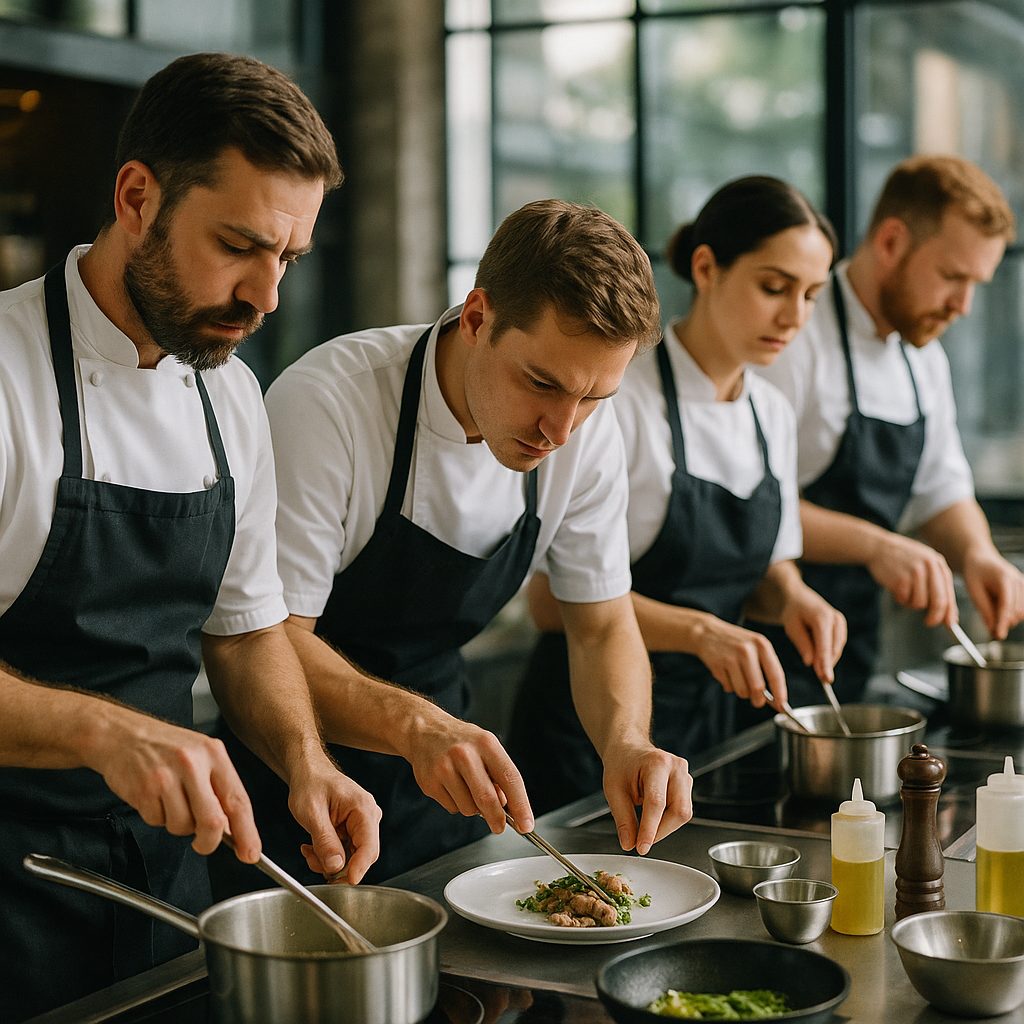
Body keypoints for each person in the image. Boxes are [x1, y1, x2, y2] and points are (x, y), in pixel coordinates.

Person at [0, 53, 383, 1021]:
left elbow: (247, 630)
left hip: (171, 878)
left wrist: (305, 761)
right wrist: (98, 727)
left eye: (287, 259)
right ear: (137, 197)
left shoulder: (230, 393)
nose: (266, 297)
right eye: (239, 245)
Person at [217, 198, 694, 888]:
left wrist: (627, 742)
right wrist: (415, 727)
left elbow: (599, 625)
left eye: (594, 398)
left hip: (450, 793)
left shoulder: (583, 435)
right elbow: (267, 635)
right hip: (296, 801)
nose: (560, 430)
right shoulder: (331, 405)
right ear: (477, 319)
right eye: (541, 383)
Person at [506, 177, 847, 814]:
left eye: (811, 296)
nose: (794, 317)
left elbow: (767, 568)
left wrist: (795, 596)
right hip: (589, 734)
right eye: (774, 287)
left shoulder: (770, 412)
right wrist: (701, 633)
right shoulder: (615, 401)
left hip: (715, 732)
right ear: (706, 267)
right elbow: (552, 605)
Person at [755, 155, 1024, 706]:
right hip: (761, 641)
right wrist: (878, 546)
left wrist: (976, 553)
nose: (964, 306)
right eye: (953, 277)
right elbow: (751, 507)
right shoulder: (791, 336)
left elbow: (941, 489)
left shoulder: (922, 357)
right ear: (892, 242)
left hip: (852, 646)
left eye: (976, 284)